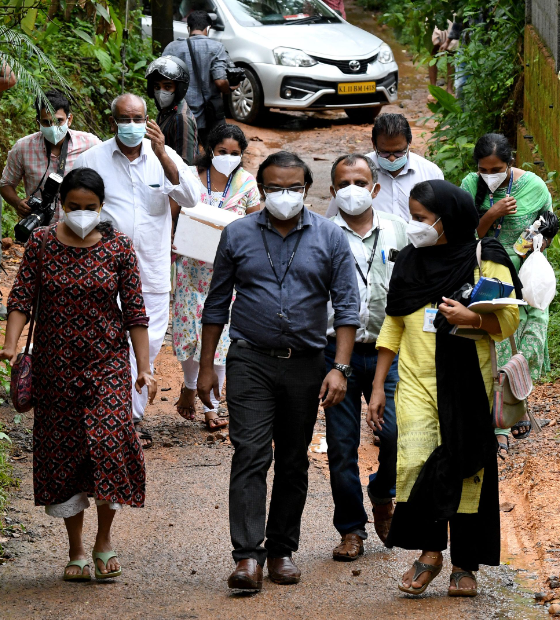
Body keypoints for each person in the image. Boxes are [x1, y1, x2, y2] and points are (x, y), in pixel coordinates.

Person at [197, 151, 360, 591]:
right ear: (261, 188)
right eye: (274, 187)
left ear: (308, 189)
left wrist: (340, 367)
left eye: (293, 188)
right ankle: (247, 557)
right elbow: (216, 304)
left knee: (292, 459)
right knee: (250, 452)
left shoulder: (330, 237)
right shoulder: (237, 234)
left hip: (307, 364)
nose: (283, 195)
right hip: (249, 358)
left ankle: (282, 550)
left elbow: (347, 308)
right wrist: (207, 367)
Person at [0, 167, 157, 581]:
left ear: (102, 207)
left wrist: (145, 368)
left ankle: (104, 540)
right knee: (65, 452)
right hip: (55, 367)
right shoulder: (40, 244)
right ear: (61, 206)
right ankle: (75, 549)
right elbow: (21, 299)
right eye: (73, 207)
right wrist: (10, 346)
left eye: (90, 207)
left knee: (108, 442)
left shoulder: (119, 247)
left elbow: (136, 313)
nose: (82, 214)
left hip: (107, 364)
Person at [368, 180, 520, 598]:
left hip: (469, 383)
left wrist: (472, 319)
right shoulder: (410, 261)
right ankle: (430, 552)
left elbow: (508, 322)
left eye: (420, 218)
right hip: (415, 382)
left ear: (447, 218)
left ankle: (465, 564)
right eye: (413, 216)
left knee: (467, 466)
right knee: (417, 465)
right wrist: (379, 383)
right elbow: (394, 320)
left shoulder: (485, 259)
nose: (413, 225)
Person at [74, 93, 200, 448]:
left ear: (148, 120)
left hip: (152, 271)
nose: (131, 125)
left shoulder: (164, 157)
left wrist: (162, 154)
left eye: (138, 119)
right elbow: (70, 209)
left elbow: (192, 199)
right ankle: (119, 416)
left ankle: (127, 413)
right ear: (112, 121)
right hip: (102, 270)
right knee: (104, 340)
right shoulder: (91, 159)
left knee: (149, 342)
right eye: (124, 119)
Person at [326, 154, 408, 561]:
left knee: (394, 434)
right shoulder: (321, 234)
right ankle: (351, 529)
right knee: (341, 445)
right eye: (344, 183)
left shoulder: (400, 231)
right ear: (332, 190)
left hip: (388, 352)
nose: (352, 190)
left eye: (360, 181)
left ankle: (382, 492)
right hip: (335, 351)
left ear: (375, 188)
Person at [460, 133, 555, 456]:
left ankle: (514, 401)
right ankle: (501, 424)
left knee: (532, 336)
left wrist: (540, 238)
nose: (489, 175)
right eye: (484, 169)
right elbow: (462, 235)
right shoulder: (470, 186)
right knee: (498, 344)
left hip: (525, 275)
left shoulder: (534, 186)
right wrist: (492, 213)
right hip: (489, 275)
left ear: (510, 163)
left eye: (496, 168)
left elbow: (549, 227)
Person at [172, 123, 260, 429]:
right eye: (223, 152)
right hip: (190, 267)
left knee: (222, 335)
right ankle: (189, 384)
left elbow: (256, 224)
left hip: (229, 273)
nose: (228, 157)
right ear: (210, 150)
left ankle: (212, 406)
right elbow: (175, 213)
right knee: (188, 330)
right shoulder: (192, 180)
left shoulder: (247, 184)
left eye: (235, 153)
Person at [0, 89, 101, 221]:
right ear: (38, 122)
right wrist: (18, 203)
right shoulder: (23, 148)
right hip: (39, 230)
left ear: (69, 119)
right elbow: (5, 184)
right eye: (46, 122)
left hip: (78, 227)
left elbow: (108, 178)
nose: (53, 127)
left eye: (59, 121)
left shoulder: (90, 144)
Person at [325, 114, 443, 221]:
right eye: (384, 153)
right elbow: (333, 218)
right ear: (373, 144)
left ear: (409, 142)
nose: (392, 159)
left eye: (399, 152)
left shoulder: (430, 173)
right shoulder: (356, 171)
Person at [163, 10, 233, 146]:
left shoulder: (172, 48)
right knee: (210, 153)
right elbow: (220, 81)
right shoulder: (217, 48)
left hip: (179, 115)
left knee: (181, 154)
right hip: (207, 116)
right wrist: (229, 88)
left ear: (188, 28)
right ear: (208, 28)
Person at [145, 55, 199, 165]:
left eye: (167, 87)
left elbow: (186, 165)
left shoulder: (181, 119)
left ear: (179, 88)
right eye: (157, 87)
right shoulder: (166, 111)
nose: (161, 92)